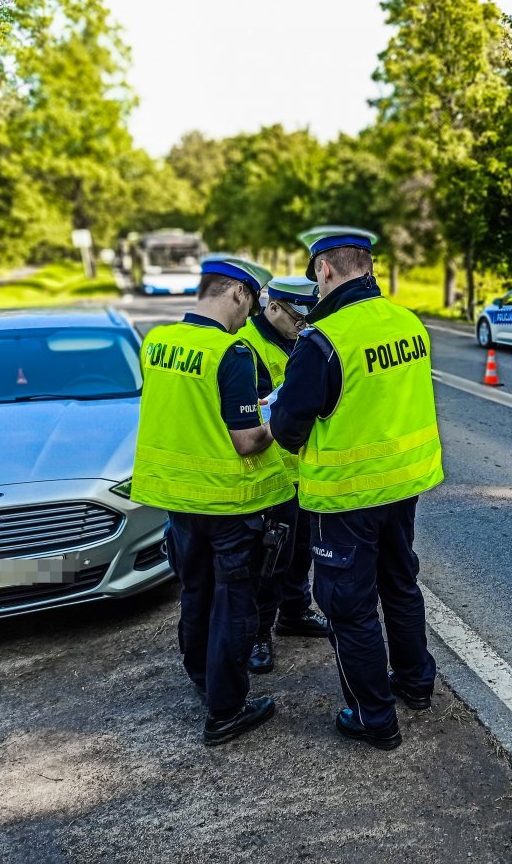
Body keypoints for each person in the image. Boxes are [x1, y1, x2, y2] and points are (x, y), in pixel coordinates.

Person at [270, 226, 443, 751]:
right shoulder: (407, 322)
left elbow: (287, 429)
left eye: (315, 278)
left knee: (349, 608)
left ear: (324, 270)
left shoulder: (322, 341)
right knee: (400, 585)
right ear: (367, 265)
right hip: (403, 486)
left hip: (346, 498)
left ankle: (374, 718)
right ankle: (416, 684)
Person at [131, 254, 295, 746]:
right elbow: (247, 440)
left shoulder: (157, 343)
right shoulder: (232, 354)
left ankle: (203, 681)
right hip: (229, 505)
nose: (249, 318)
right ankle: (226, 710)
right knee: (235, 606)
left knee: (195, 595)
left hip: (177, 502)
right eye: (250, 304)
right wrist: (278, 418)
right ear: (238, 293)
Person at [235, 275, 330, 675]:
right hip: (267, 475)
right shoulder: (245, 348)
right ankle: (259, 633)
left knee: (299, 552)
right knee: (267, 560)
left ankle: (295, 612)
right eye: (296, 317)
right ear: (272, 307)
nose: (302, 325)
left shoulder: (305, 341)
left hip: (301, 472)